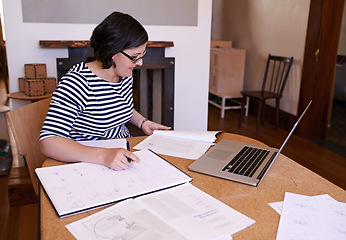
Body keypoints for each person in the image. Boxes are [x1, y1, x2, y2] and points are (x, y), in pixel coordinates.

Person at [40, 12, 170, 170]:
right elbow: (49, 142)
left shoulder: (124, 74)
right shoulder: (77, 82)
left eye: (142, 55)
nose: (140, 63)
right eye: (135, 57)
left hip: (122, 154)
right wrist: (105, 156)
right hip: (92, 163)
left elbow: (120, 107)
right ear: (113, 52)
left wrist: (143, 122)